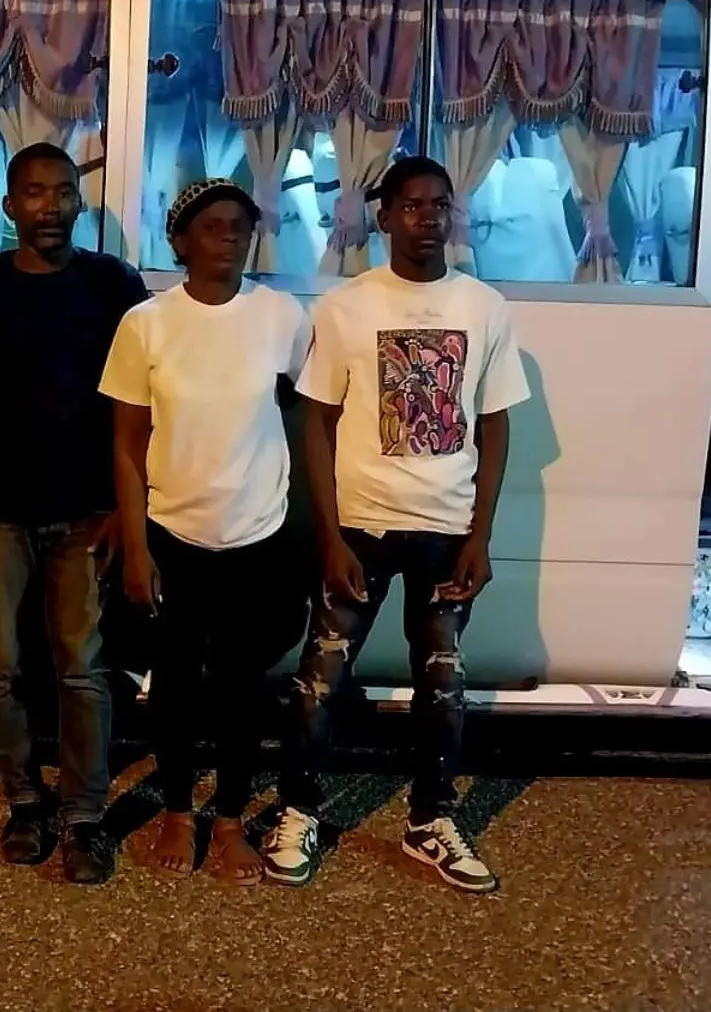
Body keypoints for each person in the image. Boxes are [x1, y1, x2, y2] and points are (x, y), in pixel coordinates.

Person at [272, 155, 529, 894]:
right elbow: (316, 422)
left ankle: (430, 822)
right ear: (384, 218)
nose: (428, 218)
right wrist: (329, 536)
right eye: (412, 206)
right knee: (321, 679)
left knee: (443, 684)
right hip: (361, 526)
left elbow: (495, 424)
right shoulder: (347, 307)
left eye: (439, 205)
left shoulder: (484, 307)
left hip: (446, 530)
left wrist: (480, 536)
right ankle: (298, 811)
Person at [0, 143, 148, 884]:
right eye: (34, 192)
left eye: (62, 192)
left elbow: (140, 406)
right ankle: (24, 802)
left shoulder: (113, 284)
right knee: (2, 665)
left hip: (87, 510)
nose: (49, 206)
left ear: (78, 202)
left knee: (82, 666)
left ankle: (84, 816)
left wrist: (125, 507)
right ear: (9, 205)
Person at [100, 179, 313, 886]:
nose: (229, 238)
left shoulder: (281, 316)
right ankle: (175, 810)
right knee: (175, 685)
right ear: (180, 240)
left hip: (258, 532)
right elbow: (127, 445)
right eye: (213, 226)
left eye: (240, 227)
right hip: (172, 531)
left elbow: (304, 413)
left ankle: (227, 818)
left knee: (243, 685)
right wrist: (136, 547)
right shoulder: (147, 324)